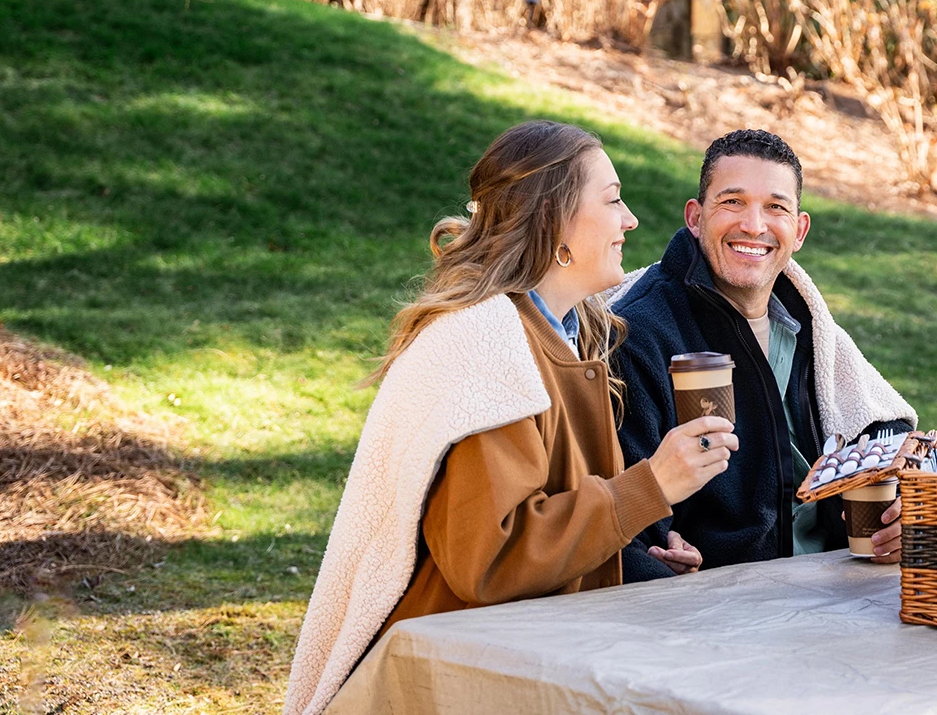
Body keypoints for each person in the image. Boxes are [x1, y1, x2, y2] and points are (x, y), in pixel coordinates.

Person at [284, 121, 737, 715]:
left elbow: (553, 510)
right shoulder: (486, 343)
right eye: (613, 199)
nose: (629, 219)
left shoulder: (568, 334)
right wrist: (650, 486)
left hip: (514, 650)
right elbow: (488, 559)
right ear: (557, 227)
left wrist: (632, 552)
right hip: (452, 677)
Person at [610, 129, 917, 580]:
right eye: (732, 202)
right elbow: (624, 517)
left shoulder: (805, 321)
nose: (754, 225)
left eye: (775, 207)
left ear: (799, 230)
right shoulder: (642, 331)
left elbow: (874, 416)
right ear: (695, 218)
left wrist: (901, 506)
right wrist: (669, 560)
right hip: (728, 601)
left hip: (838, 579)